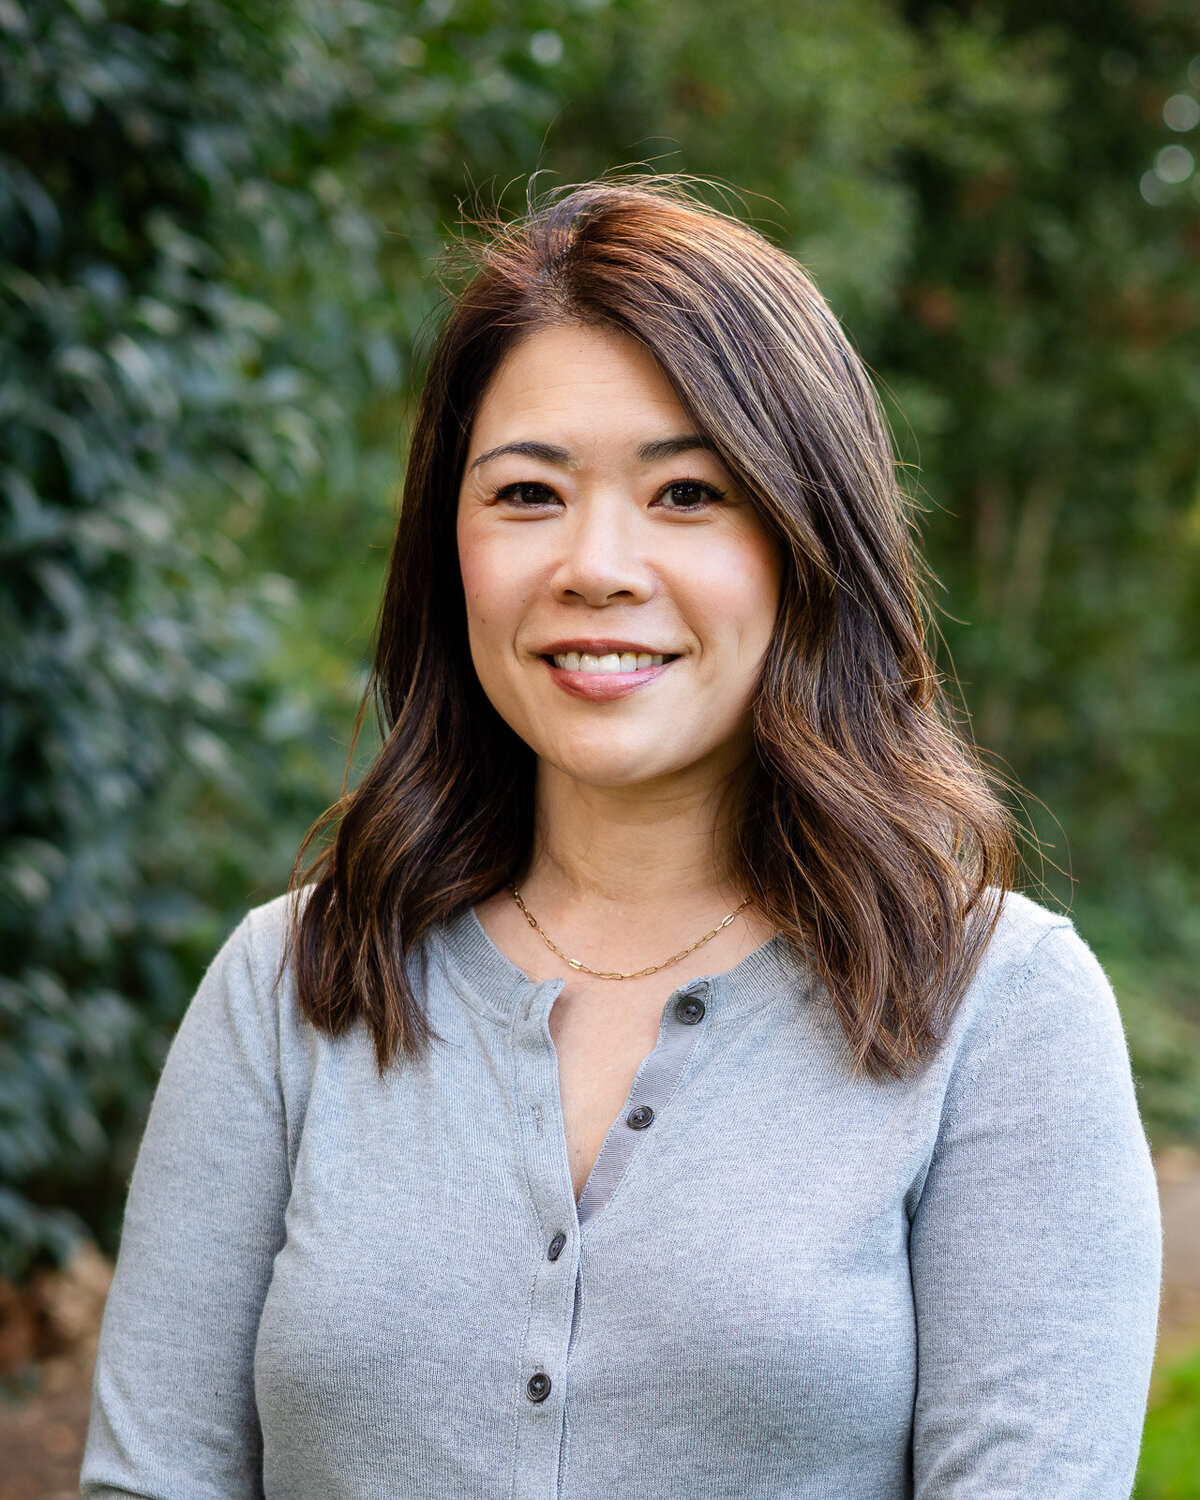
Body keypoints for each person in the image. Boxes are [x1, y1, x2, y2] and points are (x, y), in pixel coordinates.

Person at [81, 179, 1161, 1500]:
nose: (596, 563)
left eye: (689, 492)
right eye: (528, 493)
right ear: (449, 548)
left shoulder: (1000, 1009)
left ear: (806, 536)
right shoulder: (289, 988)